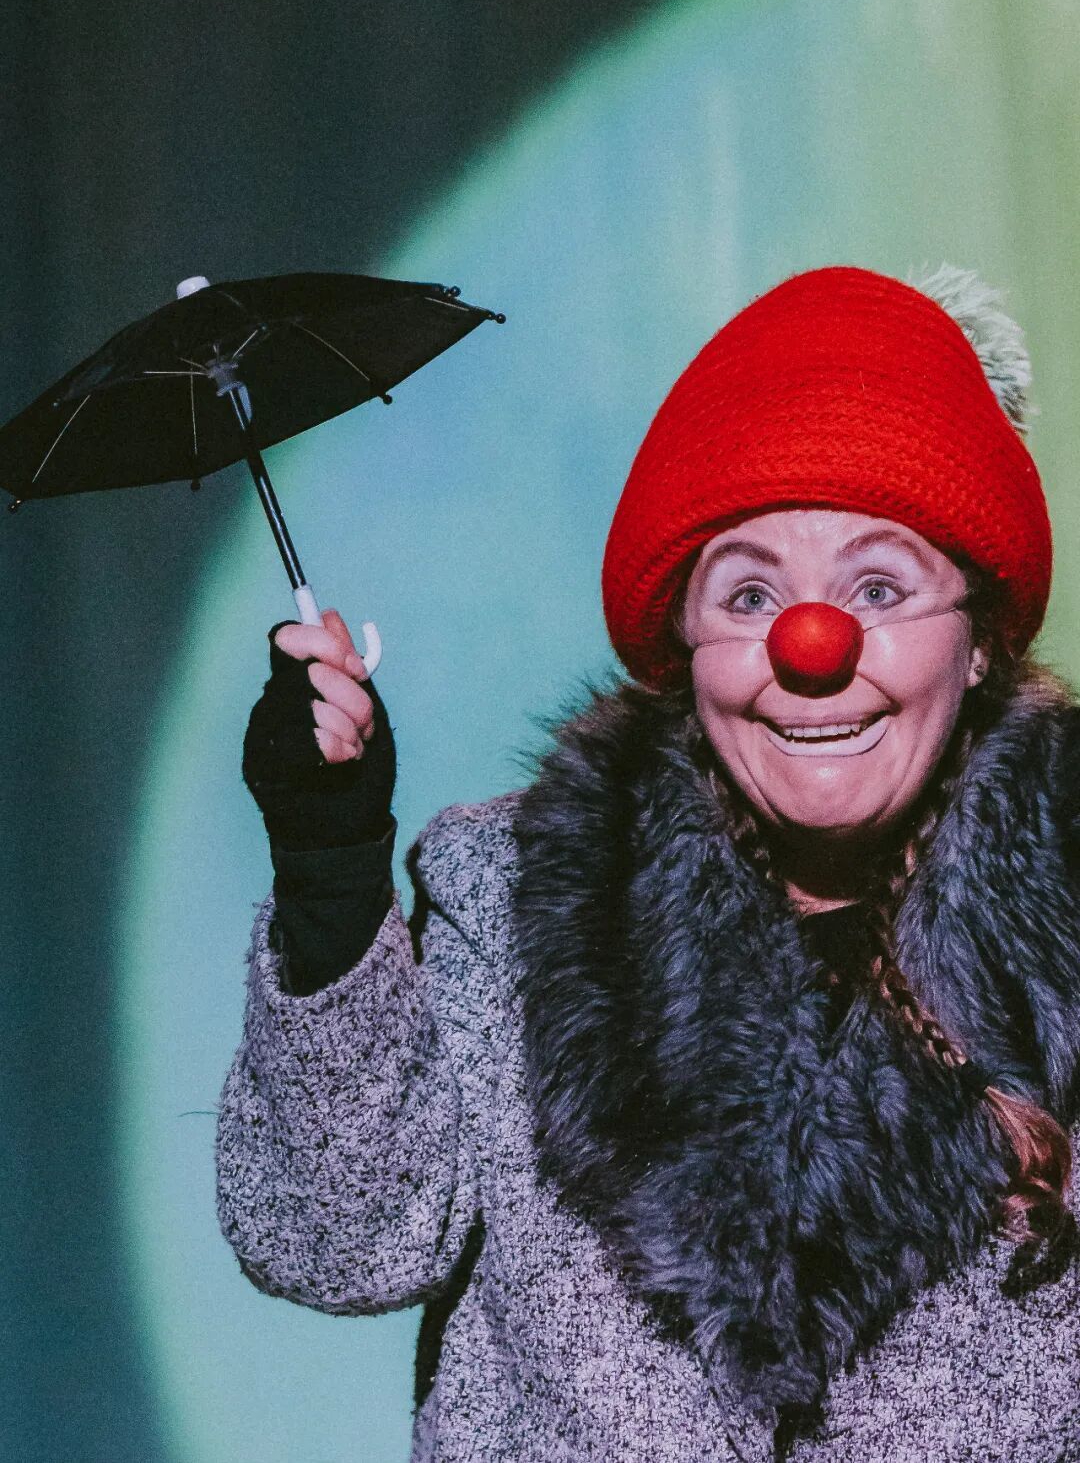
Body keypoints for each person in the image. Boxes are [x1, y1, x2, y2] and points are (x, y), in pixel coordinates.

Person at [215, 264, 1080, 1463]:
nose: (811, 645)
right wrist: (330, 879)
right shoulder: (507, 901)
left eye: (878, 586)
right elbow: (335, 1247)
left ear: (979, 640)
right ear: (683, 641)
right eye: (750, 593)